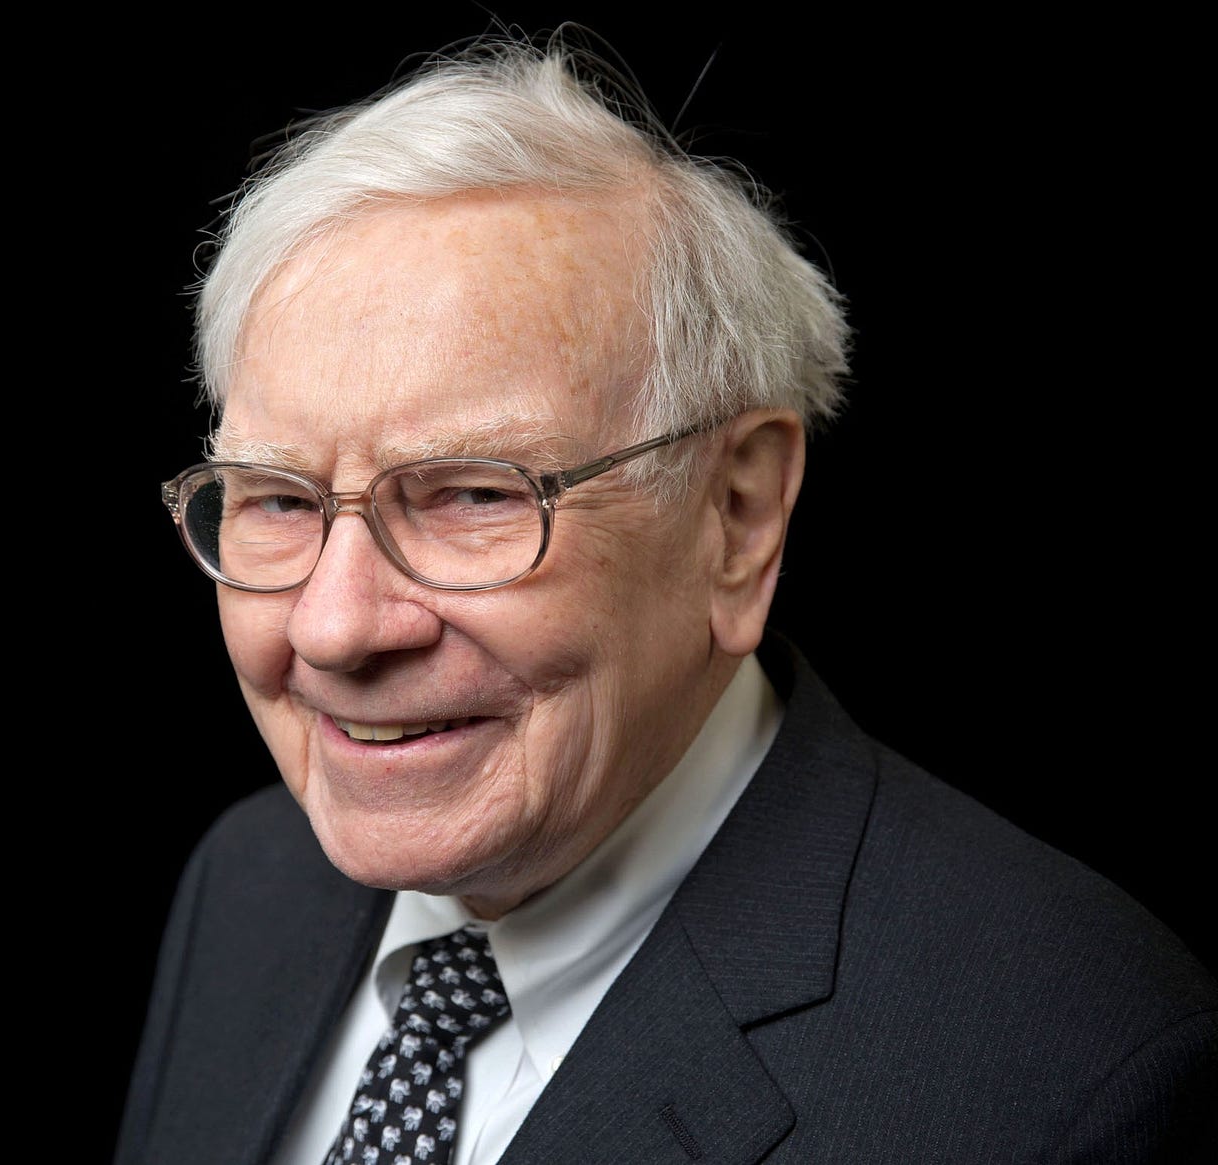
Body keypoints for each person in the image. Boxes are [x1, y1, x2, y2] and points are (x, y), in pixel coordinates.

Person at [115, 30, 1217, 1165]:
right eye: (278, 499)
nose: (335, 625)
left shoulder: (1073, 1070)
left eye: (471, 494)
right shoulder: (246, 883)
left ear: (736, 517)